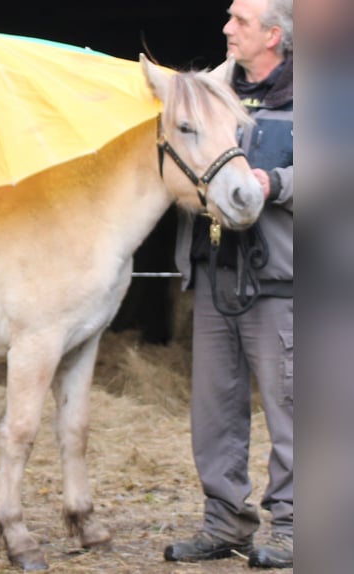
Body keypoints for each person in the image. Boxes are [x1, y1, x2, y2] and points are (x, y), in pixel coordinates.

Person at [164, 0, 293, 569]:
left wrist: (280, 181)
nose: (225, 29)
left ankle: (296, 527)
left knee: (293, 409)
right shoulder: (210, 90)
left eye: (239, 20)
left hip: (283, 279)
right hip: (216, 272)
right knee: (214, 412)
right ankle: (225, 523)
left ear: (273, 34)